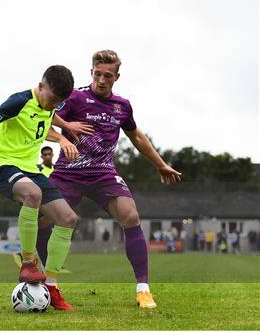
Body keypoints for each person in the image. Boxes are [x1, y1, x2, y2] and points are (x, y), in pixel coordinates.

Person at [37, 50, 182, 309]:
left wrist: (161, 165)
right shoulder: (74, 98)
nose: (101, 80)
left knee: (131, 216)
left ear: (116, 76)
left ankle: (143, 290)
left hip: (103, 173)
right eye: (97, 74)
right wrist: (62, 137)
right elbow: (41, 121)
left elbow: (137, 137)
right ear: (91, 71)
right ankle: (50, 282)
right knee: (44, 220)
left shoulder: (122, 106)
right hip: (68, 173)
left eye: (107, 75)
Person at [0, 65, 79, 310]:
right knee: (33, 194)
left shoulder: (49, 105)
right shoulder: (19, 101)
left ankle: (51, 284)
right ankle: (28, 262)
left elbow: (47, 118)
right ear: (40, 87)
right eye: (52, 99)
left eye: (59, 103)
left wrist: (65, 131)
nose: (54, 106)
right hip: (1, 165)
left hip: (30, 169)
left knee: (68, 218)